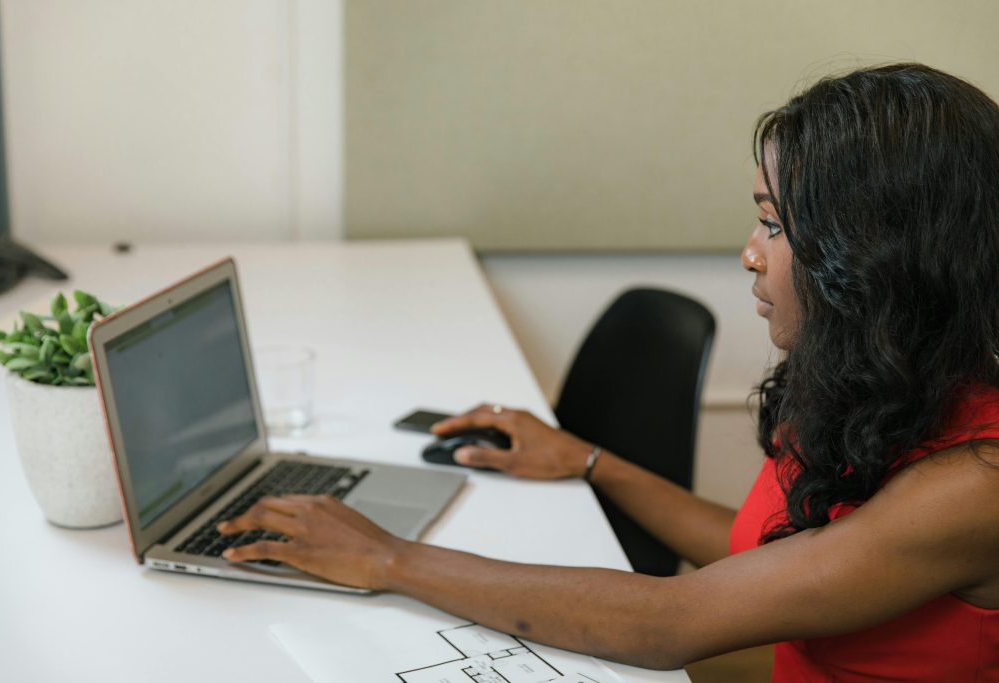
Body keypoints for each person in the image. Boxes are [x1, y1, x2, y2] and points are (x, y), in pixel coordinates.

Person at [218, 63, 999, 680]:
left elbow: (670, 623)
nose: (750, 252)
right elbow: (764, 556)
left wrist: (388, 557)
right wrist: (591, 463)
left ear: (875, 260)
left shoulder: (975, 481)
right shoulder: (886, 386)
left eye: (772, 224)